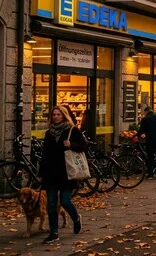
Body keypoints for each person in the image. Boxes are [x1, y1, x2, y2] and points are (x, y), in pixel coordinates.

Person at [39, 105, 85, 244]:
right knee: (51, 204)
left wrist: (71, 144)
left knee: (65, 201)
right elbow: (45, 155)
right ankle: (54, 232)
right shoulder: (49, 133)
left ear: (64, 116)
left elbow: (84, 146)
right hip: (51, 173)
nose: (56, 117)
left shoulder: (72, 130)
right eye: (54, 115)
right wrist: (41, 173)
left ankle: (76, 217)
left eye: (58, 114)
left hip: (67, 172)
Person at [137, 106, 156, 178]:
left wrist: (137, 136)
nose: (144, 114)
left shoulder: (145, 119)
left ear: (146, 111)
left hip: (150, 140)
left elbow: (142, 130)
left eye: (144, 112)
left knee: (150, 156)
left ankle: (150, 173)